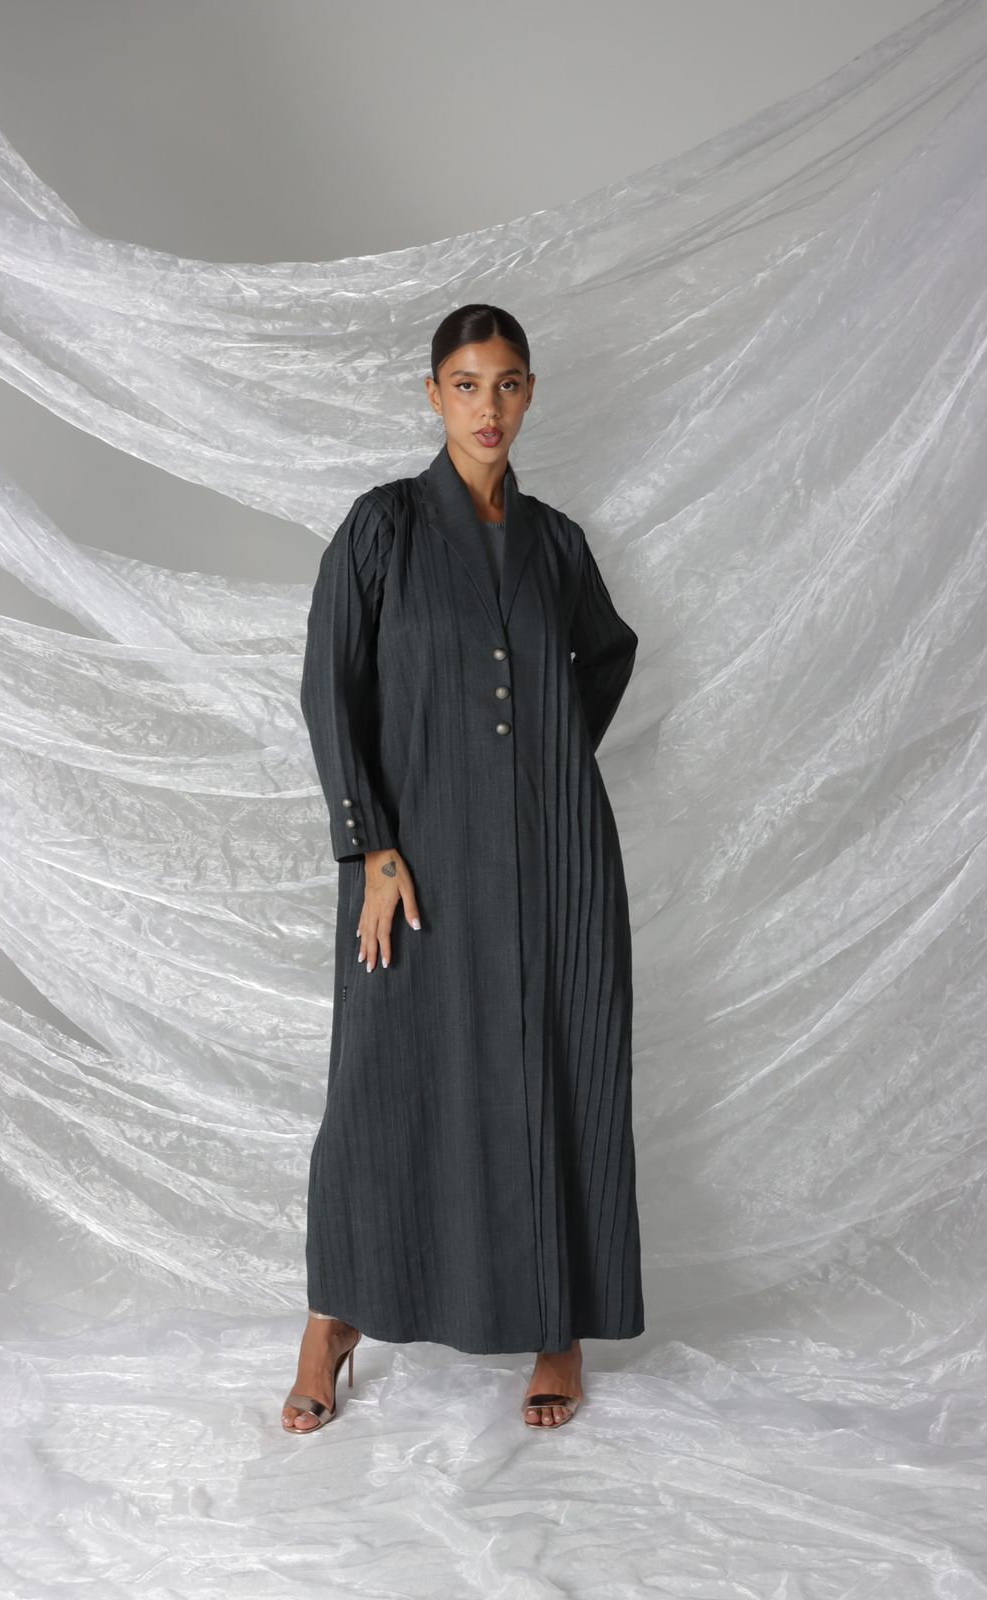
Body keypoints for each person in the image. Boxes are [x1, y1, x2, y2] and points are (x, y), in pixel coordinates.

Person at [283, 304, 643, 1434]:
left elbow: (607, 652)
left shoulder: (557, 544)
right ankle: (334, 1321)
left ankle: (555, 1327)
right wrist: (371, 845)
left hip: (552, 860)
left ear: (530, 394)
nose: (489, 407)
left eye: (509, 383)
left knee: (556, 1069)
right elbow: (328, 685)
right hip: (413, 862)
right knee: (380, 1082)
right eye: (467, 384)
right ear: (434, 394)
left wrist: (543, 761)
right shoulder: (382, 528)